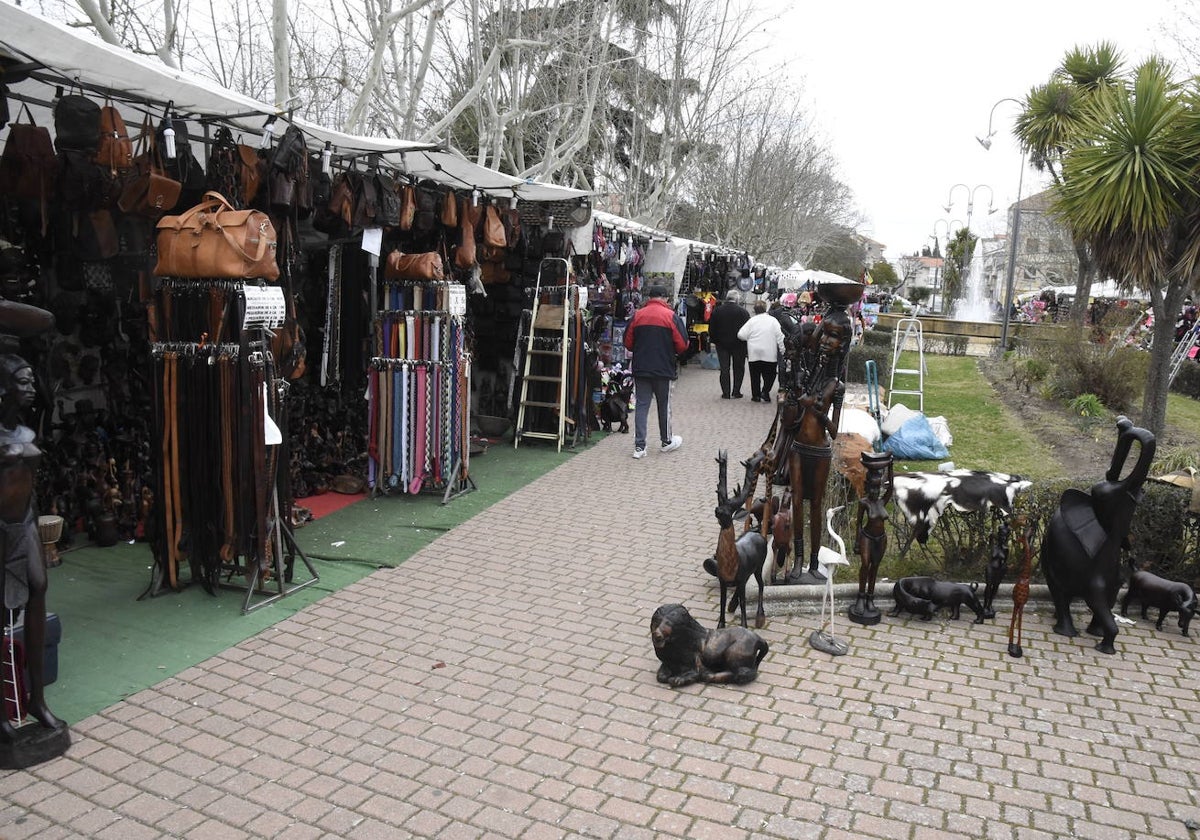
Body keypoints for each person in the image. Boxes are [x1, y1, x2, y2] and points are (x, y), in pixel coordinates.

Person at [0, 352, 63, 745]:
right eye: (21, 381)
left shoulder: (26, 432)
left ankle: (37, 699)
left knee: (38, 590)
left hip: (24, 523)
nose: (29, 387)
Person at [770, 307, 852, 584]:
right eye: (825, 335)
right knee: (796, 501)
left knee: (815, 506)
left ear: (844, 343)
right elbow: (791, 420)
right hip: (798, 449)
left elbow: (834, 430)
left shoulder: (836, 386)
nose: (827, 341)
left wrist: (816, 410)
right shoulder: (807, 375)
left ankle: (814, 562)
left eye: (835, 336)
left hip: (819, 452)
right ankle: (798, 562)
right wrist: (793, 402)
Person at [623, 282, 688, 459]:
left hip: (641, 368)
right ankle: (666, 441)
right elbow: (682, 344)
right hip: (663, 368)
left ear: (649, 298)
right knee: (664, 405)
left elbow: (628, 343)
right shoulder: (671, 316)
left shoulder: (637, 316)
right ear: (665, 298)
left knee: (642, 406)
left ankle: (639, 446)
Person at [736, 300, 784, 403]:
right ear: (766, 308)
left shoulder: (752, 321)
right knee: (770, 375)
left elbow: (740, 334)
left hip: (754, 352)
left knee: (755, 376)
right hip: (769, 353)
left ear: (754, 310)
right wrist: (782, 349)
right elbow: (780, 336)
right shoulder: (773, 321)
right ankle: (765, 391)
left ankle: (756, 395)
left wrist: (749, 338)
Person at [706, 287, 749, 399]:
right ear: (737, 299)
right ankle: (736, 391)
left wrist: (714, 340)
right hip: (739, 344)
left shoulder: (717, 311)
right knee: (738, 367)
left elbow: (712, 328)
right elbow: (748, 329)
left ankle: (726, 392)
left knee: (724, 368)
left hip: (722, 344)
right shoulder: (743, 312)